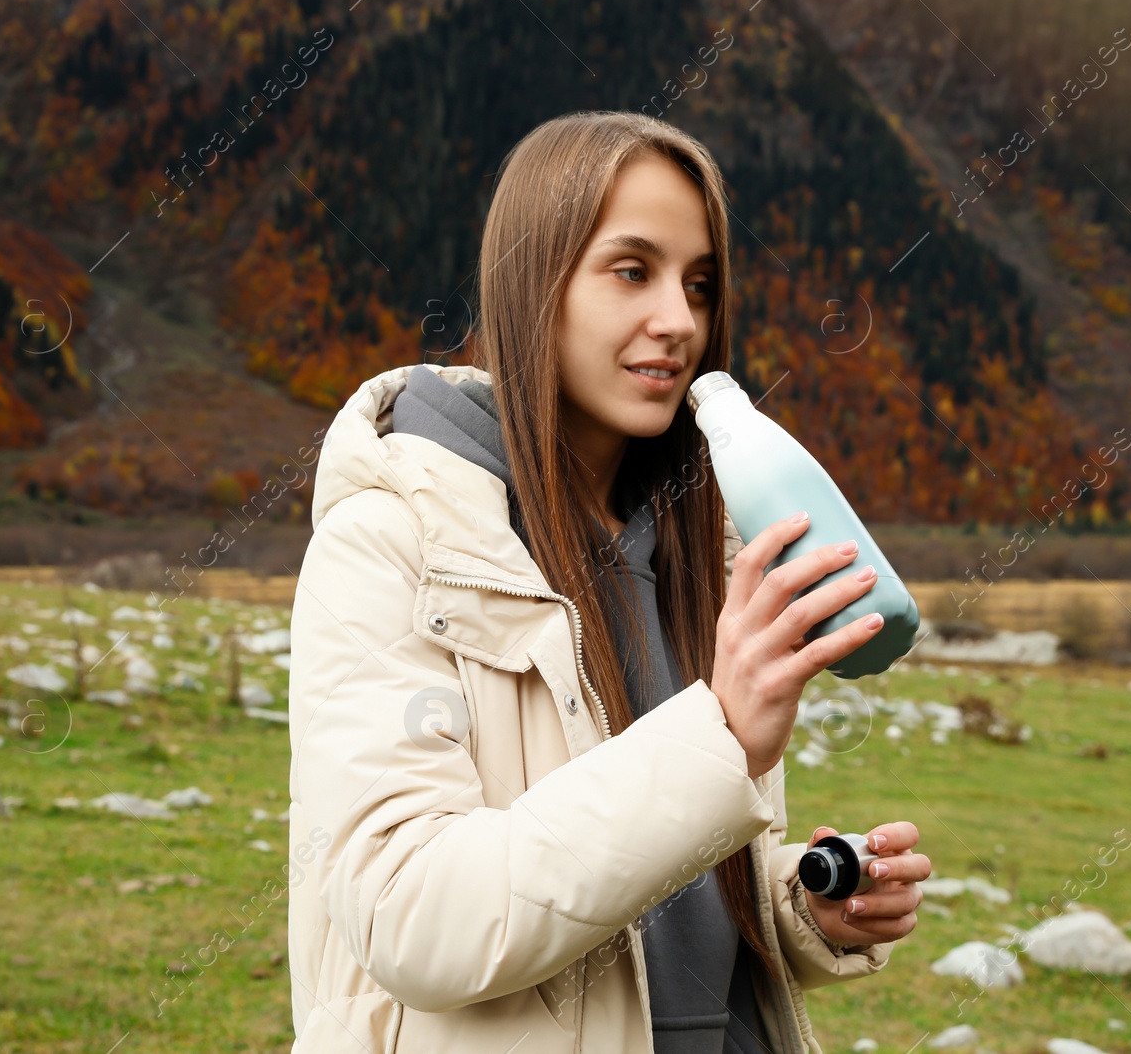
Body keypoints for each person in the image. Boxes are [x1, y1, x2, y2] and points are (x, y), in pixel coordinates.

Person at [286, 110, 931, 1054]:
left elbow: (654, 904)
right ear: (531, 284)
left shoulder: (695, 546)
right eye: (632, 270)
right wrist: (719, 737)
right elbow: (410, 917)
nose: (678, 320)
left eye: (699, 283)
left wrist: (800, 909)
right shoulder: (388, 543)